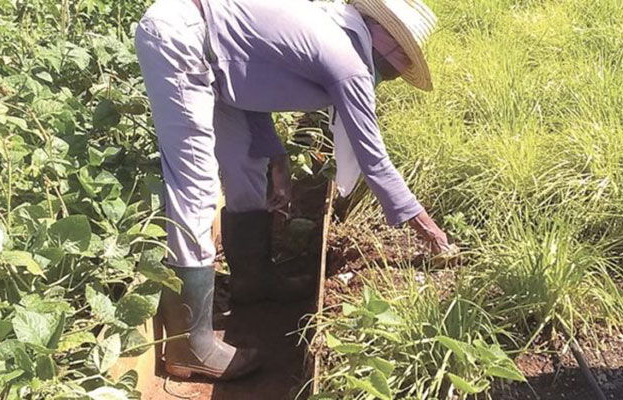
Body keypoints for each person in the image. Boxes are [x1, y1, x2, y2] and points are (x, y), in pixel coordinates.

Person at [135, 0, 457, 381]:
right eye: (401, 54)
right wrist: (431, 233)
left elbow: (248, 81)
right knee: (196, 187)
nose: (399, 68)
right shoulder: (347, 60)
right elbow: (375, 161)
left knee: (244, 166)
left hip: (212, 57)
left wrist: (277, 159)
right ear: (381, 33)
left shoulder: (334, 32)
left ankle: (252, 282)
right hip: (182, 43)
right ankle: (190, 347)